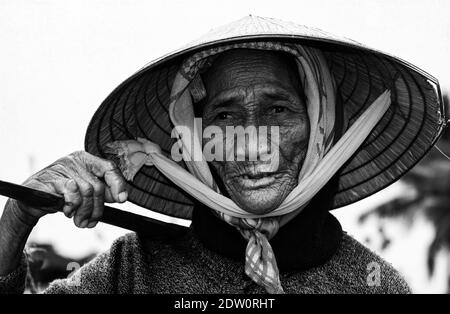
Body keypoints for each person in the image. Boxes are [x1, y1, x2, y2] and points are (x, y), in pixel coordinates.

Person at [0, 16, 445, 294]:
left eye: (278, 109)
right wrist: (17, 216)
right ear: (195, 140)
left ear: (320, 130)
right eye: (226, 117)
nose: (252, 142)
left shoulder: (373, 285)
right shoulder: (131, 271)